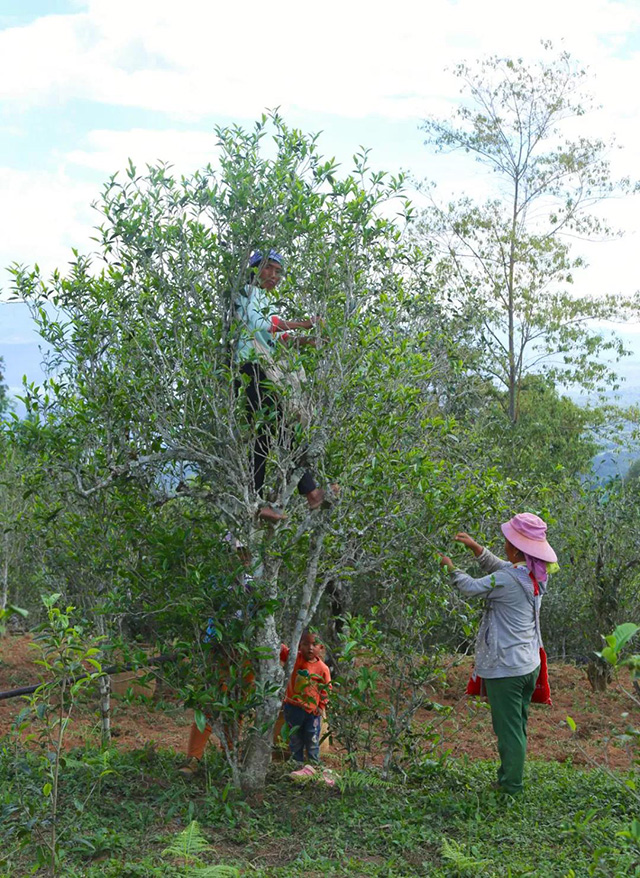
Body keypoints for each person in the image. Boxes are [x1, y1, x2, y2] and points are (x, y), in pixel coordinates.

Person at [438, 513, 557, 795]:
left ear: (516, 548)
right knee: (517, 726)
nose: (505, 543)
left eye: (508, 540)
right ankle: (507, 777)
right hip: (528, 665)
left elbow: (470, 587)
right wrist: (477, 549)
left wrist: (450, 568)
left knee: (508, 731)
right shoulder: (535, 574)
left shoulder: (506, 580)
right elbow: (504, 568)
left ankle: (511, 788)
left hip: (508, 668)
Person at [234, 249, 330, 523]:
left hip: (262, 369)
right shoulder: (246, 293)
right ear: (255, 269)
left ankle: (310, 493)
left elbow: (280, 335)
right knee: (266, 431)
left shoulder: (264, 299)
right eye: (270, 269)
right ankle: (259, 501)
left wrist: (309, 341)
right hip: (250, 369)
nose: (274, 276)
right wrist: (305, 323)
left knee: (280, 429)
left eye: (278, 272)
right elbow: (263, 325)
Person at [279, 631, 331, 769]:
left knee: (312, 738)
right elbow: (282, 652)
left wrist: (321, 705)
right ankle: (297, 765)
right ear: (299, 645)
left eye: (314, 644)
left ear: (321, 648)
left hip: (312, 712)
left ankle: (314, 766)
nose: (310, 648)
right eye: (306, 644)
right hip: (293, 707)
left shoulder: (322, 668)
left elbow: (326, 688)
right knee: (295, 739)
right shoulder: (295, 658)